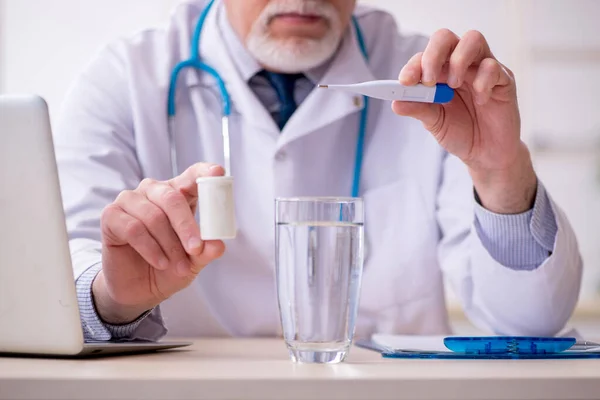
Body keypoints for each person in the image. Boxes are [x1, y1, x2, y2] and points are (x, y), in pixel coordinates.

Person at [54, 0, 582, 342]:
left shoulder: (436, 80)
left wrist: (498, 169)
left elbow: (530, 323)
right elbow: (61, 291)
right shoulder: (124, 79)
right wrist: (115, 296)